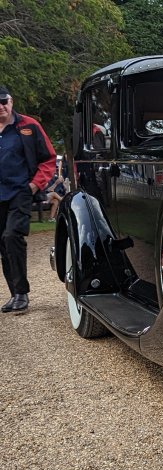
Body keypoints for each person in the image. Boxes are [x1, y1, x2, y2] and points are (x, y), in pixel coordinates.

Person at [0, 84, 57, 313]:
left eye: (4, 101)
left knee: (12, 236)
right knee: (3, 244)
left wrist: (34, 185)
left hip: (21, 192)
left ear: (11, 101)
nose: (1, 107)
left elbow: (49, 158)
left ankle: (22, 293)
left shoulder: (29, 126)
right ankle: (14, 294)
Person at [45, 157, 68, 222]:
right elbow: (49, 190)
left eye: (56, 168)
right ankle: (65, 201)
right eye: (54, 168)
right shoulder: (47, 177)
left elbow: (62, 190)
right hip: (44, 197)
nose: (55, 169)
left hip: (51, 198)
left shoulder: (57, 177)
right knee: (54, 194)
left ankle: (51, 218)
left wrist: (64, 185)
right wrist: (55, 183)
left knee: (56, 201)